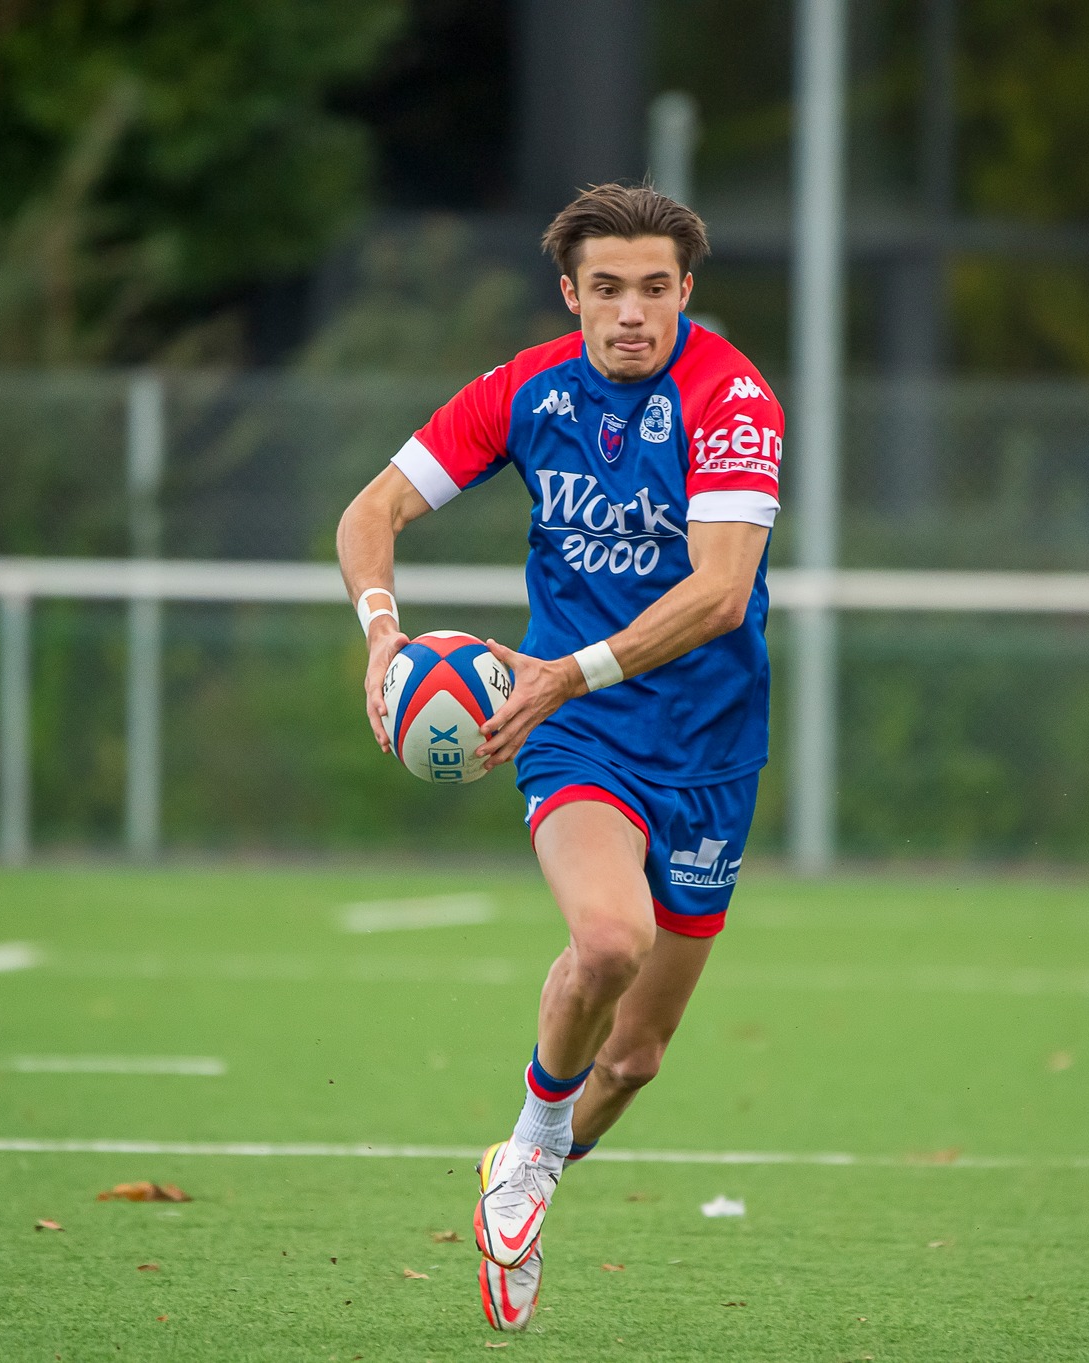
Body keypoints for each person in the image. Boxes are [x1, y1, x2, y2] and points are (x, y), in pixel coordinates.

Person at [334, 182, 784, 1332]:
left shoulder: (731, 400)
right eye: (605, 289)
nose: (629, 312)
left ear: (685, 292)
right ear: (570, 294)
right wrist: (384, 633)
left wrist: (560, 669)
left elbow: (721, 592)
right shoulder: (526, 390)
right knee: (607, 938)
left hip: (705, 743)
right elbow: (371, 509)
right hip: (571, 726)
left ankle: (529, 1153)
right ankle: (531, 1156)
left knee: (632, 1060)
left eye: (652, 289)